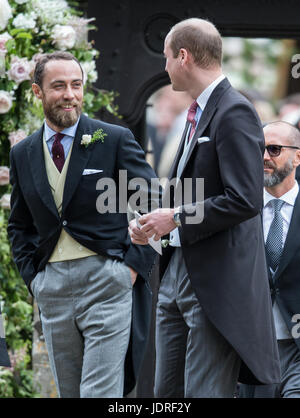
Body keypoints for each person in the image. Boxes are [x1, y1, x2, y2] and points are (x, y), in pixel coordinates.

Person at [129, 17, 281, 397]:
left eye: (166, 58)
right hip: (176, 271)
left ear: (183, 57)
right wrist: (154, 221)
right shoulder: (198, 111)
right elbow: (192, 191)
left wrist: (176, 217)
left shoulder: (235, 111)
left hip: (213, 282)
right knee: (166, 395)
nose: (163, 68)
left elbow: (244, 198)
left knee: (203, 393)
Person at [7, 51, 159, 398]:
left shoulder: (113, 138)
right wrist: (35, 280)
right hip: (53, 286)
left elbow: (151, 202)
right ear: (37, 92)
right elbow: (19, 224)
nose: (69, 94)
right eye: (58, 86)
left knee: (100, 393)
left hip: (108, 280)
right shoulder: (23, 153)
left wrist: (132, 268)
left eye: (76, 85)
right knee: (71, 393)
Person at [239, 121, 300, 398]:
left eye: (274, 149)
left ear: (297, 156)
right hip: (252, 347)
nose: (265, 156)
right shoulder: (240, 209)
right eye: (260, 149)